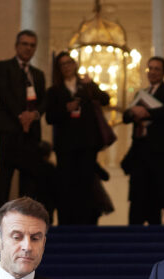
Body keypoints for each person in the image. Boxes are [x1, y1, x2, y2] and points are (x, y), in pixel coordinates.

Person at [45, 52, 110, 225]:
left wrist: (92, 84)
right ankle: (67, 225)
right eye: (63, 64)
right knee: (66, 185)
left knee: (86, 184)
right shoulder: (54, 91)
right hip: (65, 146)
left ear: (75, 65)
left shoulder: (86, 86)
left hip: (87, 144)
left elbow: (105, 99)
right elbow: (49, 117)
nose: (67, 67)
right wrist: (65, 108)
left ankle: (86, 224)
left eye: (69, 63)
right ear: (59, 69)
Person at [0, 30, 47, 211]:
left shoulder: (38, 74)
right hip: (9, 129)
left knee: (29, 178)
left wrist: (34, 115)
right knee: (5, 175)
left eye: (32, 45)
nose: (28, 48)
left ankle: (26, 218)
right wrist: (21, 115)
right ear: (16, 46)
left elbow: (43, 101)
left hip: (31, 132)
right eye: (24, 44)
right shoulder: (4, 66)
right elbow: (3, 92)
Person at [122, 56, 164, 225]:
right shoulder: (142, 94)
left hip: (160, 149)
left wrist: (145, 113)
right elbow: (126, 117)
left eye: (157, 69)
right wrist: (133, 112)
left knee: (163, 187)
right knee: (140, 190)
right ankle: (139, 227)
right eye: (150, 68)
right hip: (140, 149)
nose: (152, 72)